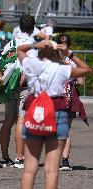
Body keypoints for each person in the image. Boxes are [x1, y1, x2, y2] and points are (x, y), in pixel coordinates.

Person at [17, 40, 92, 189]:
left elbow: (20, 50)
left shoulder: (31, 65)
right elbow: (86, 69)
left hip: (35, 114)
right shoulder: (63, 69)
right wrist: (69, 53)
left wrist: (34, 45)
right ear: (57, 53)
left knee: (29, 170)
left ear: (40, 52)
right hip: (57, 114)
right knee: (52, 171)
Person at [0, 14, 45, 168]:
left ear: (19, 26)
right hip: (23, 86)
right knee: (21, 120)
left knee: (8, 120)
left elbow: (1, 64)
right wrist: (20, 83)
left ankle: (5, 157)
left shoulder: (10, 43)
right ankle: (20, 158)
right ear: (33, 28)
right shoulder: (31, 45)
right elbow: (28, 67)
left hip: (8, 85)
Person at [56, 33, 87, 171]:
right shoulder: (74, 61)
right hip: (69, 97)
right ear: (70, 46)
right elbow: (81, 81)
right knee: (66, 130)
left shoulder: (52, 59)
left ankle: (53, 158)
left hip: (54, 96)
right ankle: (65, 161)